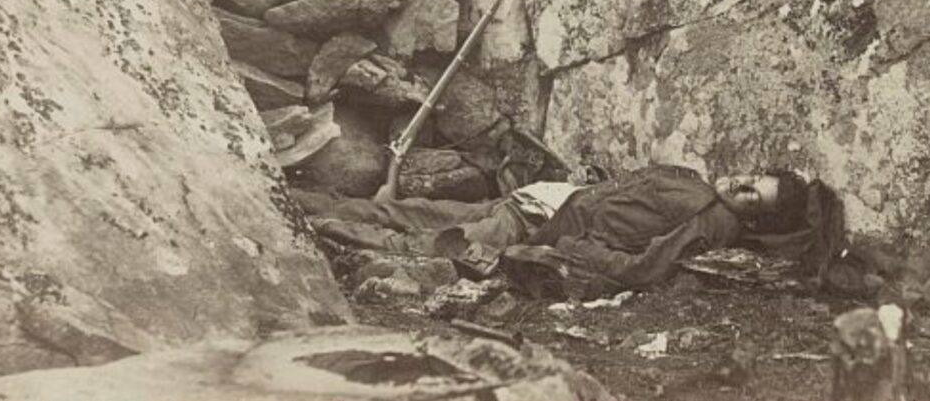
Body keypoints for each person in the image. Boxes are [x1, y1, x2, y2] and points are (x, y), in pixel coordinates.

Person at [297, 164, 842, 298]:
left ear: (753, 219)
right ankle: (283, 195)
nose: (743, 182)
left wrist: (570, 246)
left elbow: (643, 269)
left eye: (753, 195)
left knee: (409, 239)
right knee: (408, 210)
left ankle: (297, 226)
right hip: (541, 198)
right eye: (754, 176)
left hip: (541, 223)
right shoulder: (698, 182)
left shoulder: (714, 222)